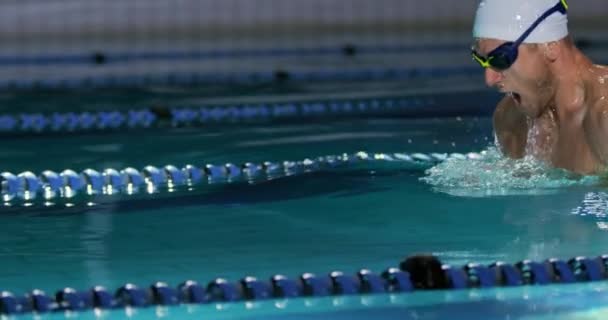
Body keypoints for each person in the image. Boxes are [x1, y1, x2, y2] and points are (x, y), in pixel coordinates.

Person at [471, 0, 608, 175]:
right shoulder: (510, 121)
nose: (489, 79)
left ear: (550, 46)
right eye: (480, 59)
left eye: (500, 59)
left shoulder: (603, 116)